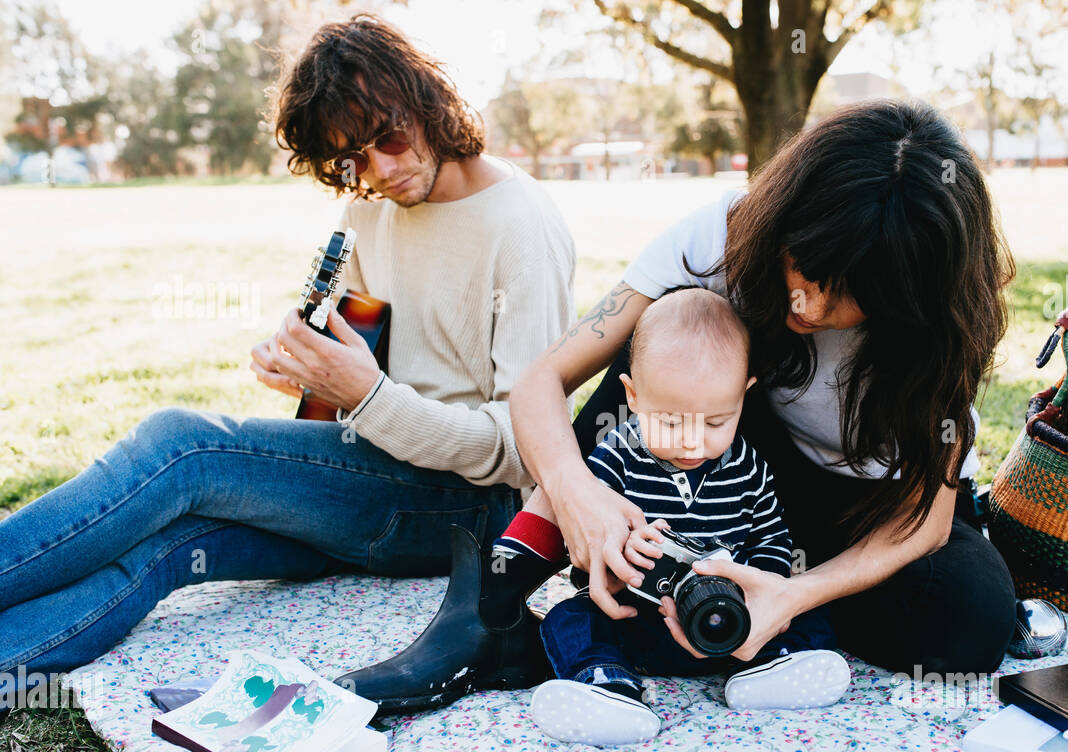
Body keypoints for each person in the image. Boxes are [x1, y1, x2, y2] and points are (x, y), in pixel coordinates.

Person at [366, 98, 1019, 710]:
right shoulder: (720, 236)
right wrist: (577, 494)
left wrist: (796, 592)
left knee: (971, 621)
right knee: (667, 350)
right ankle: (494, 611)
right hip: (732, 464)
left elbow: (926, 523)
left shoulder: (942, 327)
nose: (808, 306)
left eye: (847, 296)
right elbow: (542, 381)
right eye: (807, 269)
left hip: (861, 511)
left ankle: (749, 617)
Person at [0, 14, 573, 698]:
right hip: (370, 471)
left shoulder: (521, 228)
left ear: (429, 102)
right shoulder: (369, 208)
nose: (379, 170)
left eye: (388, 137)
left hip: (464, 509)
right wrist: (314, 371)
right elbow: (365, 349)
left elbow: (519, 452)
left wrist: (367, 395)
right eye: (349, 161)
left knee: (182, 448)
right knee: (173, 542)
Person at [526, 288, 847, 747]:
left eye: (716, 422)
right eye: (672, 422)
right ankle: (607, 687)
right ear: (633, 397)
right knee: (568, 618)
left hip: (735, 626)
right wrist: (620, 559)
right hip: (641, 618)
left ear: (744, 396)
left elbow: (773, 541)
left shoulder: (748, 469)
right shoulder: (615, 459)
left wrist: (762, 593)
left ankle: (775, 667)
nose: (693, 443)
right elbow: (587, 554)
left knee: (809, 609)